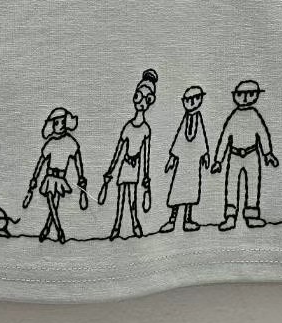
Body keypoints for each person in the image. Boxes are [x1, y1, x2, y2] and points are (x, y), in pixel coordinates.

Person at [211, 79, 279, 229]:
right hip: (234, 155)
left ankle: (252, 215)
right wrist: (218, 161)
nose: (245, 98)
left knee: (253, 184)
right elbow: (225, 137)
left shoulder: (254, 115)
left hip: (252, 154)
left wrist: (267, 153)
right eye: (241, 94)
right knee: (231, 185)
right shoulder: (234, 116)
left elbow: (262, 134)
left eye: (250, 94)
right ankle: (230, 216)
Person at [99, 69, 158, 239]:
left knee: (132, 198)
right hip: (125, 166)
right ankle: (117, 226)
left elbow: (145, 155)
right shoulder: (128, 127)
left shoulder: (145, 129)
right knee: (121, 198)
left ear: (150, 101)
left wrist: (146, 177)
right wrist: (110, 171)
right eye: (139, 96)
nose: (142, 102)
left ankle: (135, 224)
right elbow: (119, 151)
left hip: (134, 168)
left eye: (147, 99)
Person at [23, 108, 88, 244]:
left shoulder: (70, 142)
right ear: (52, 125)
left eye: (63, 122)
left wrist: (81, 177)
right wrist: (34, 179)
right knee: (51, 200)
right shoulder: (51, 143)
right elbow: (41, 162)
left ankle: (47, 228)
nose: (60, 125)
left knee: (54, 203)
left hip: (60, 178)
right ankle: (58, 230)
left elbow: (77, 160)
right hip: (50, 176)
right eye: (57, 123)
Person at [160, 84, 209, 232]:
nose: (192, 102)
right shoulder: (185, 119)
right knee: (177, 189)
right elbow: (179, 139)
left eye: (195, 99)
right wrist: (172, 159)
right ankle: (172, 220)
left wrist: (205, 154)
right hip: (182, 162)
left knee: (191, 191)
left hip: (193, 162)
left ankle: (187, 220)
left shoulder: (198, 118)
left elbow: (201, 137)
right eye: (188, 100)